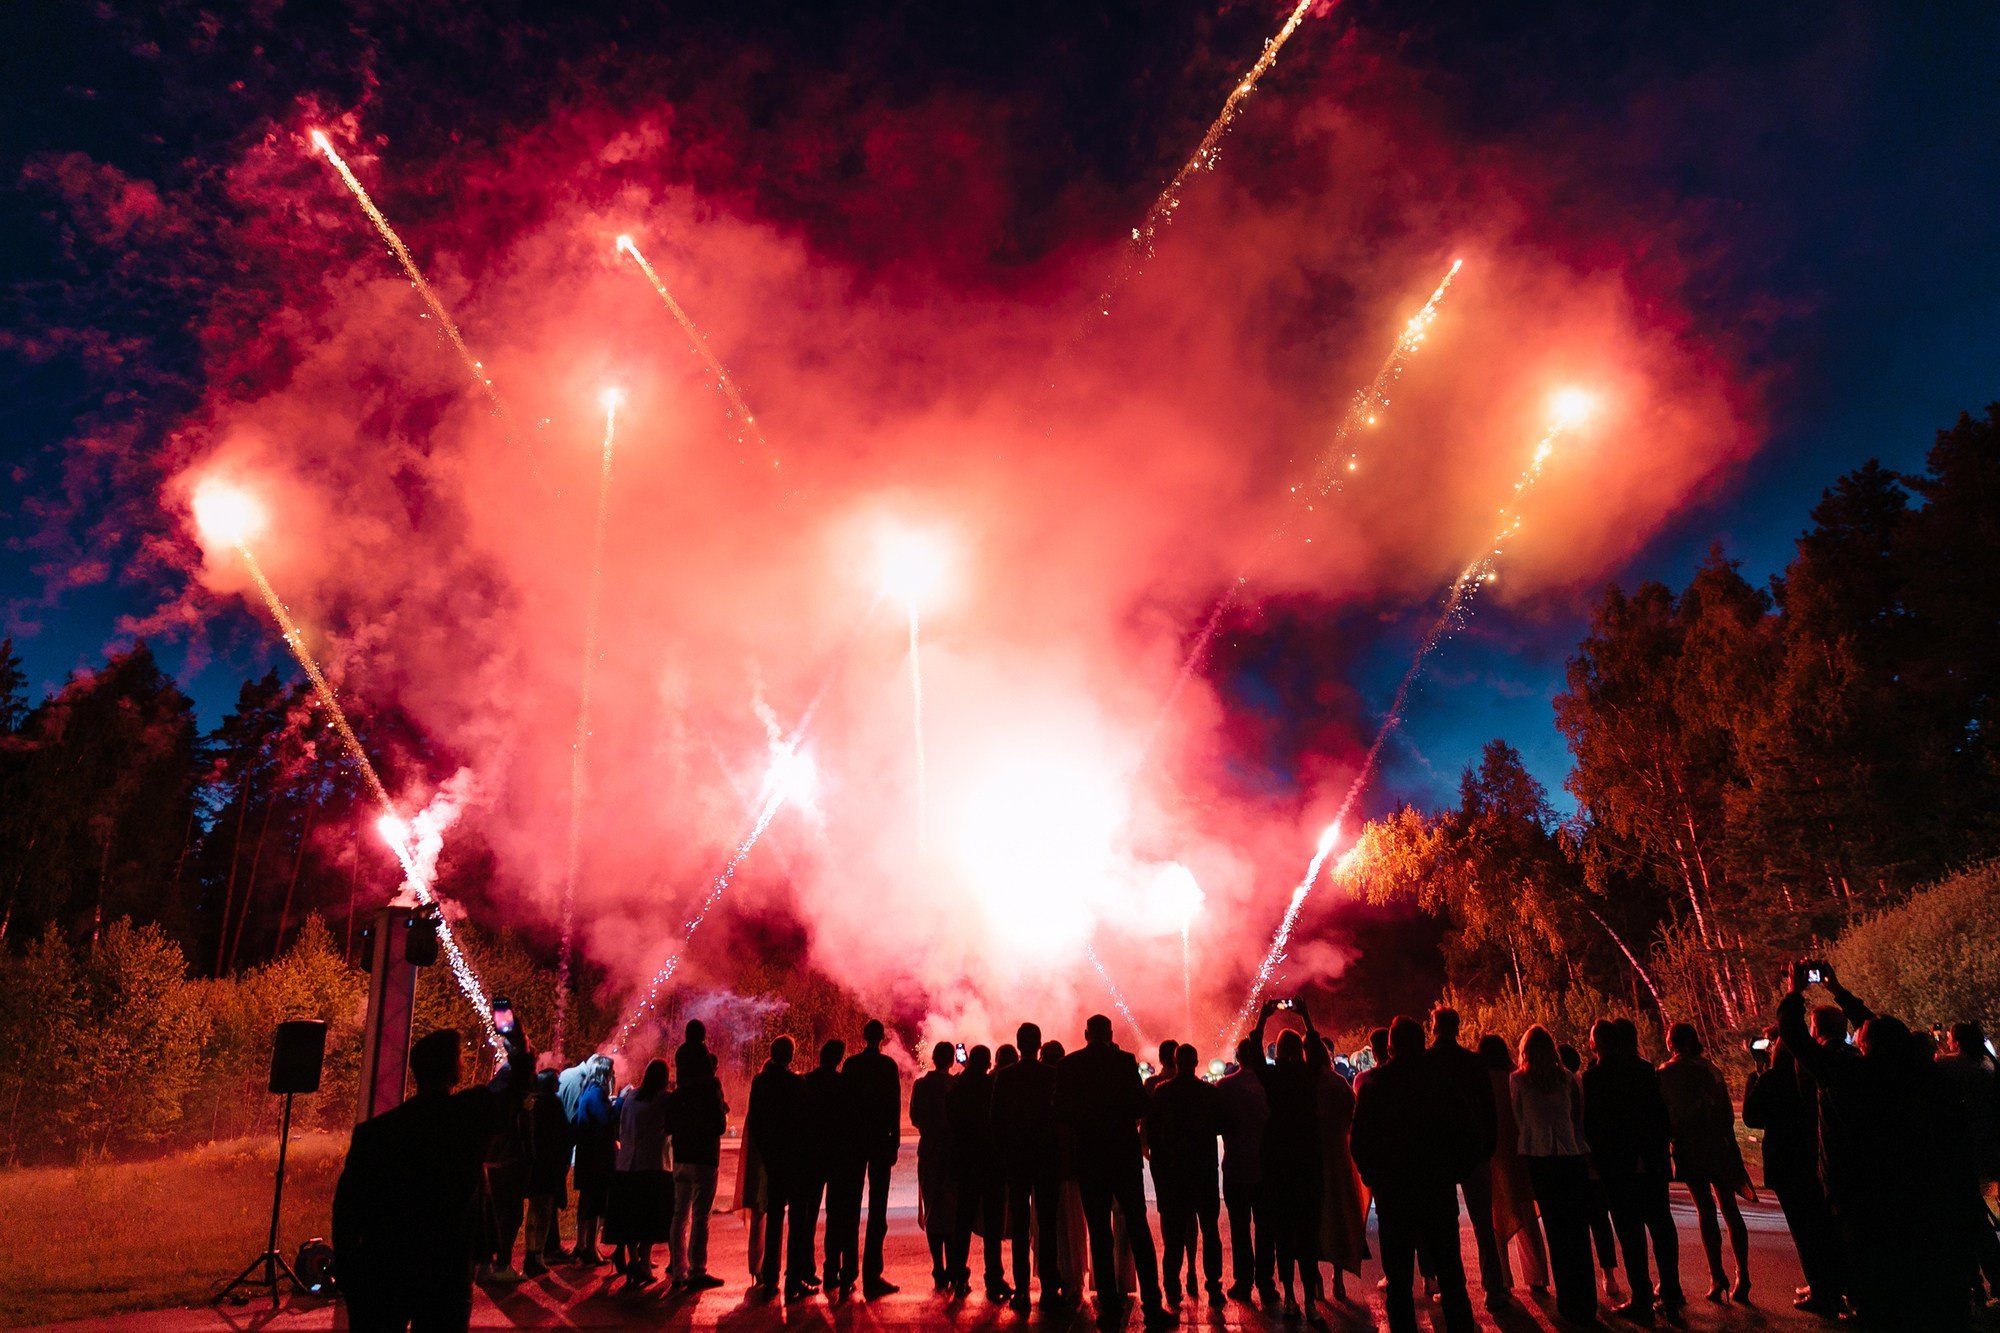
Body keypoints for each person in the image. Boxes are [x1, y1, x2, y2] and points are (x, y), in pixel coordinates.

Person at [1777, 962, 1973, 1331]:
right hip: (1915, 1188)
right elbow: (1883, 1030)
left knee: (1874, 1286)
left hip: (1858, 1194)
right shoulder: (1919, 1074)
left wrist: (1795, 990)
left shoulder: (1847, 1074)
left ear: (1864, 1043)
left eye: (1863, 1030)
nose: (1860, 1028)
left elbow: (1794, 1036)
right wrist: (1837, 990)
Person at [334, 1025, 532, 1333]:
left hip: (385, 1266)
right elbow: (515, 1086)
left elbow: (347, 1207)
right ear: (454, 1069)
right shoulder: (467, 1117)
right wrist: (519, 1046)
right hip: (445, 1270)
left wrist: (348, 1271)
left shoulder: (374, 1133)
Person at [1351, 1015, 1477, 1333]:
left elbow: (1360, 1141)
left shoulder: (1375, 1086)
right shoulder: (1441, 1081)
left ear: (1390, 1046)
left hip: (1395, 1194)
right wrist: (1455, 1171)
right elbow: (1465, 1130)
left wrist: (1373, 1177)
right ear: (1422, 1044)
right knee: (1450, 1275)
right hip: (1437, 1189)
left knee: (1399, 1281)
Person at [1056, 1013, 1175, 1330]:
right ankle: (1152, 1305)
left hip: (1090, 1159)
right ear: (1109, 1034)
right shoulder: (1124, 1061)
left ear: (1085, 1034)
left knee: (1099, 1234)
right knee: (1138, 1229)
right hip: (1122, 1157)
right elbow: (1141, 1106)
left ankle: (1108, 1307)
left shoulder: (1070, 1065)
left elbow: (1060, 1111)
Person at [1582, 1019, 1681, 1320]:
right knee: (1662, 1227)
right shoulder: (1644, 1071)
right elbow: (1660, 1116)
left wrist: (1597, 1162)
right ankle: (1671, 1293)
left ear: (1595, 1043)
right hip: (1650, 1161)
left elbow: (1593, 1127)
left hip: (1618, 1166)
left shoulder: (1593, 1078)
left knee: (1631, 1235)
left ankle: (1641, 1298)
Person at [1744, 1026, 1840, 1313]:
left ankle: (1824, 1293)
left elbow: (1751, 1116)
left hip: (1786, 1161)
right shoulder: (1810, 1075)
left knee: (1804, 1231)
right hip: (1812, 1157)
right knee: (1820, 1226)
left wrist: (1756, 1074)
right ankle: (1828, 1284)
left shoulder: (1771, 1079)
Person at [1657, 1023, 1752, 1303]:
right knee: (1731, 1211)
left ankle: (1716, 1276)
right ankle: (1742, 1274)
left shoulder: (1664, 1074)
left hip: (1689, 1149)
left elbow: (1664, 1116)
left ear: (1674, 1044)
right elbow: (1725, 1114)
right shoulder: (1711, 1070)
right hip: (1719, 1147)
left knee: (1705, 1212)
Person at [1509, 1025, 1595, 1324]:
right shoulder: (1568, 1079)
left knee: (1557, 1232)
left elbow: (1520, 1120)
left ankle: (1569, 1302)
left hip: (1539, 1159)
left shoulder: (1519, 1080)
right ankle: (1587, 1300)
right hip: (1570, 1157)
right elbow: (1577, 1118)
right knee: (1578, 1231)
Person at [1249, 1001, 1327, 1321]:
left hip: (1277, 1155)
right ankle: (1310, 1301)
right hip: (1307, 1155)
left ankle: (1292, 1298)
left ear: (1277, 1051)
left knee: (1283, 1231)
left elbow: (1254, 1052)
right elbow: (1319, 1052)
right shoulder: (1311, 1075)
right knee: (1307, 1232)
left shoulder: (1272, 1077)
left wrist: (1262, 1017)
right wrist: (1306, 1016)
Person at [1426, 1005, 1505, 1309]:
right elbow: (1488, 1109)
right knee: (1484, 1224)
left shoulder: (1428, 1062)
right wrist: (1488, 1147)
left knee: (1445, 1227)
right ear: (1457, 1028)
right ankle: (1493, 1289)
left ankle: (1452, 1287)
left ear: (1435, 1028)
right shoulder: (1474, 1063)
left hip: (1439, 1155)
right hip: (1474, 1151)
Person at [993, 1021, 1067, 1310]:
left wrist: (1007, 1155)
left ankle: (1022, 1290)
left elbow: (995, 1120)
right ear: (1039, 1044)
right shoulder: (1051, 1075)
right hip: (1046, 1159)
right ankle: (1049, 1288)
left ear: (1018, 1043)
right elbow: (1060, 1117)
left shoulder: (1005, 1076)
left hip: (1018, 1161)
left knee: (1021, 1228)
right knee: (1047, 1226)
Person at [1148, 1043, 1226, 1307]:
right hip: (1203, 1171)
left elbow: (1153, 1134)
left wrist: (1162, 1164)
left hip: (1174, 1173)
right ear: (1196, 1062)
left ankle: (1172, 1287)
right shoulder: (1209, 1093)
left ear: (1175, 1061)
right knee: (1210, 1231)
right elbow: (1220, 1126)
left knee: (1174, 1236)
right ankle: (1214, 1285)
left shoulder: (1162, 1092)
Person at [1478, 1034, 1550, 1297]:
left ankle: (1503, 1280)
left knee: (1495, 1219)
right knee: (1527, 1217)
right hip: (1519, 1154)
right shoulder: (1517, 1076)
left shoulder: (1483, 1080)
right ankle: (1538, 1276)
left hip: (1493, 1156)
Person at [839, 1018, 903, 1298]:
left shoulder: (851, 1065)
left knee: (850, 1209)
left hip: (854, 1142)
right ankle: (872, 1274)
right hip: (878, 1141)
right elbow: (894, 1106)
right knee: (878, 1210)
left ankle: (847, 1273)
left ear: (864, 1036)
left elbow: (844, 1105)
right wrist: (894, 1141)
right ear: (881, 1038)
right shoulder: (888, 1066)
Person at [1937, 1021, 2000, 1304]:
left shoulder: (1951, 1065)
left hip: (1962, 1155)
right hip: (1986, 1152)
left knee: (1968, 1221)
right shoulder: (1987, 1065)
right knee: (1979, 1216)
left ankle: (1975, 1282)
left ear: (1957, 1042)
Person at [746, 1036, 811, 1299]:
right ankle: (793, 1281)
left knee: (774, 1220)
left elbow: (756, 1122)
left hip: (772, 1160)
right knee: (797, 1222)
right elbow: (806, 1123)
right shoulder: (796, 1083)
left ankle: (770, 1278)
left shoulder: (760, 1082)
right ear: (790, 1056)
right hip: (795, 1160)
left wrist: (766, 1152)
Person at [1216, 1037, 1276, 1305]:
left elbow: (1218, 1124)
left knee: (1240, 1230)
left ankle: (1243, 1281)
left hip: (1236, 1166)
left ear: (1237, 1058)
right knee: (1266, 1229)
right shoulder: (1269, 1084)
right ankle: (1266, 1283)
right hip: (1265, 1167)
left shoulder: (1225, 1087)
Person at [606, 1058, 674, 1288]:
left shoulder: (631, 1097)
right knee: (649, 1217)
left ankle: (634, 1260)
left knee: (630, 1216)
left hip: (627, 1165)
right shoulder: (664, 1099)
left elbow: (622, 1126)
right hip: (652, 1164)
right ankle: (644, 1263)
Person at [947, 1043, 1008, 1299]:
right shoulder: (991, 1087)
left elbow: (951, 1120)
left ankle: (958, 1276)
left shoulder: (957, 1086)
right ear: (988, 1062)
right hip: (991, 1163)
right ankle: (993, 1279)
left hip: (966, 1162)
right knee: (992, 1227)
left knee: (962, 1222)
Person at [1314, 1036, 1368, 1302]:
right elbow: (1352, 1116)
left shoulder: (1304, 1085)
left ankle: (1315, 1279)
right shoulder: (1339, 1084)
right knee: (1337, 1217)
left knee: (1313, 1218)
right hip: (1337, 1157)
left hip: (1311, 1159)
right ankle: (1337, 1276)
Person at [801, 1038, 851, 1296]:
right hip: (837, 1157)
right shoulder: (843, 1084)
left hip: (812, 1155)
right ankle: (832, 1271)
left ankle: (805, 1269)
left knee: (808, 1216)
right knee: (836, 1215)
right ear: (839, 1058)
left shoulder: (808, 1081)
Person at [911, 1040, 959, 1291]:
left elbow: (914, 1118)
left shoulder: (920, 1085)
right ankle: (952, 1266)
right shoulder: (954, 1085)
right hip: (952, 1152)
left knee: (932, 1208)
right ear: (951, 1060)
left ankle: (938, 1266)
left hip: (929, 1151)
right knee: (951, 1210)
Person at [562, 1054, 617, 1266]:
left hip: (588, 1156)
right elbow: (606, 1121)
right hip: (597, 1159)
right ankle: (590, 1249)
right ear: (604, 1074)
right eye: (611, 1073)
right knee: (595, 1205)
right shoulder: (597, 1095)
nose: (613, 1077)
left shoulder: (587, 1092)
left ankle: (581, 1245)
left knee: (586, 1203)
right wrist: (620, 1101)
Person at [522, 1068, 573, 1277]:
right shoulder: (552, 1103)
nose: (558, 1086)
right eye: (556, 1082)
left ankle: (531, 1253)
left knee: (534, 1211)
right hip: (548, 1166)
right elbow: (564, 1134)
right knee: (543, 1211)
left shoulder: (532, 1103)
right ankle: (538, 1255)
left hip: (534, 1165)